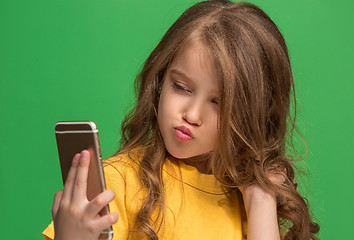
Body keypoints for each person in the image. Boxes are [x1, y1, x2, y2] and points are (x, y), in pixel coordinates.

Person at [43, 0, 320, 239]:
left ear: (253, 116)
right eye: (182, 87)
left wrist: (260, 200)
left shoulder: (249, 199)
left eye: (218, 103)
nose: (191, 114)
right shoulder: (118, 184)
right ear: (160, 79)